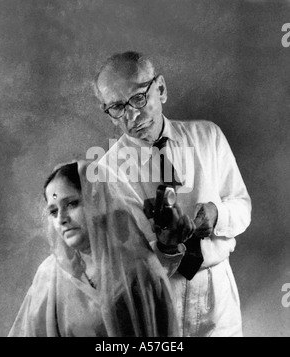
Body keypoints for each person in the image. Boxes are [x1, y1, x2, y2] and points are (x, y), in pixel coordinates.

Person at [91, 51, 252, 337]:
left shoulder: (208, 136)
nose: (132, 115)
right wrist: (165, 247)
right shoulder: (107, 173)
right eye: (116, 107)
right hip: (160, 298)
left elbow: (242, 207)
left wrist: (217, 215)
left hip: (218, 297)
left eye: (138, 98)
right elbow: (125, 268)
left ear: (161, 89)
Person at [8, 161, 179, 337]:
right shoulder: (48, 274)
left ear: (97, 202)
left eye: (72, 203)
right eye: (53, 211)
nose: (61, 219)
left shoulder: (140, 268)